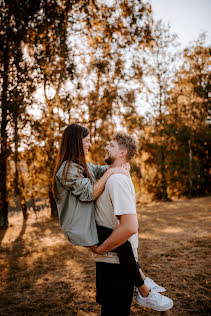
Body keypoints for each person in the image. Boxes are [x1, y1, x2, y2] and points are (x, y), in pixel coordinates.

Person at [52, 124, 173, 314]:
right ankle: (144, 289)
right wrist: (112, 171)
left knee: (123, 247)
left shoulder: (82, 165)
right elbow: (88, 193)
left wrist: (118, 167)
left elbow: (98, 170)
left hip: (89, 224)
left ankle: (144, 285)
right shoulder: (66, 169)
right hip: (79, 226)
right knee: (123, 243)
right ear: (76, 142)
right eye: (87, 141)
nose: (91, 145)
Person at [90, 132, 174, 315]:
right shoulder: (112, 177)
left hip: (116, 265)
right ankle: (144, 286)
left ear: (123, 153)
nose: (105, 147)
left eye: (111, 145)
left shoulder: (117, 181)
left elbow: (129, 227)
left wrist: (100, 248)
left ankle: (145, 290)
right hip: (109, 261)